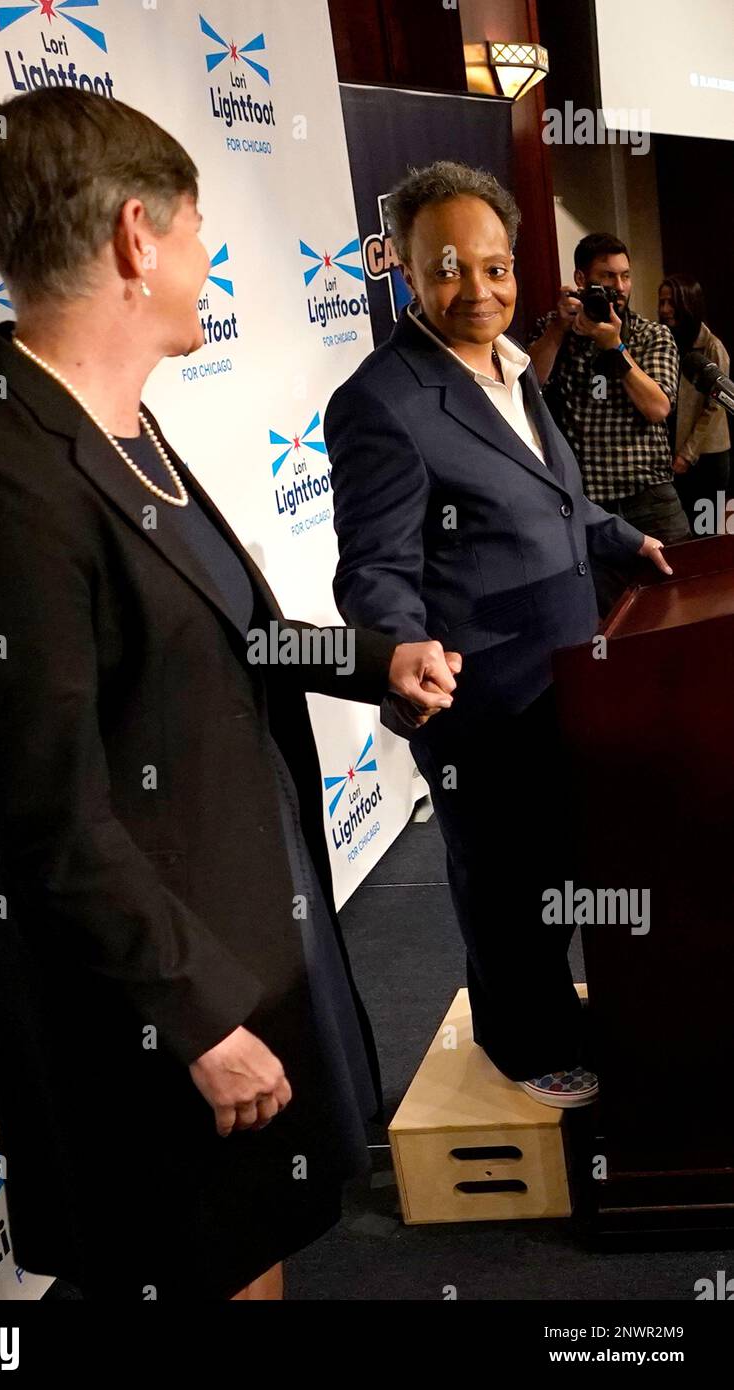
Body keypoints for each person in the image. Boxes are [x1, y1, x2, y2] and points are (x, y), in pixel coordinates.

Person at [0, 89, 458, 1302]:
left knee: (253, 1248)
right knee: (199, 1266)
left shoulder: (117, 426)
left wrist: (372, 662)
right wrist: (193, 1017)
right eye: (200, 232)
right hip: (154, 997)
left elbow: (233, 637)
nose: (209, 265)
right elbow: (54, 818)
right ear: (138, 240)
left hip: (243, 928)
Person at [324, 161, 671, 1109]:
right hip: (479, 701)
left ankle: (552, 1012)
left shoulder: (513, 366)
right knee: (509, 886)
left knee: (560, 863)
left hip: (567, 676)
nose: (478, 291)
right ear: (400, 267)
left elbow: (554, 501)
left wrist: (620, 535)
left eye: (496, 267)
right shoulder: (382, 400)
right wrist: (396, 644)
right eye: (448, 270)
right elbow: (375, 566)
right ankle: (522, 1043)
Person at [528, 232, 690, 615]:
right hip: (590, 505)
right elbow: (526, 386)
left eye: (626, 276)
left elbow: (657, 408)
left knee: (680, 604)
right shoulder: (555, 330)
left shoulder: (652, 334)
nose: (619, 287)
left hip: (651, 497)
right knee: (604, 619)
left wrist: (614, 347)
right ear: (581, 280)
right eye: (608, 276)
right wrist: (557, 329)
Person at [658, 273, 731, 533]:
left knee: (708, 531)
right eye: (662, 302)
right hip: (674, 457)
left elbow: (715, 408)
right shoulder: (663, 342)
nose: (665, 309)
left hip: (706, 458)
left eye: (672, 303)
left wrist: (688, 454)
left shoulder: (712, 347)